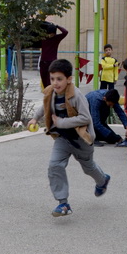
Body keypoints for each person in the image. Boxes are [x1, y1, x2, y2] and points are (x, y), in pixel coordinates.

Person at [28, 59, 111, 217]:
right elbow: (44, 106)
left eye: (59, 79)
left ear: (69, 79)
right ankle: (63, 203)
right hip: (63, 139)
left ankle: (103, 181)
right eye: (52, 79)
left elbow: (86, 118)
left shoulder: (76, 95)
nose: (55, 83)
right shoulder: (51, 92)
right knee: (54, 165)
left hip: (81, 140)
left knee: (88, 168)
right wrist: (34, 118)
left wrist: (62, 122)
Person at [34, 21, 69, 90]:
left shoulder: (56, 39)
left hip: (52, 62)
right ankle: (47, 93)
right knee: (44, 80)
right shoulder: (43, 38)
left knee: (50, 80)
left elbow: (65, 32)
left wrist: (57, 26)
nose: (51, 35)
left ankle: (52, 93)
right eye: (49, 33)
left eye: (52, 34)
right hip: (43, 62)